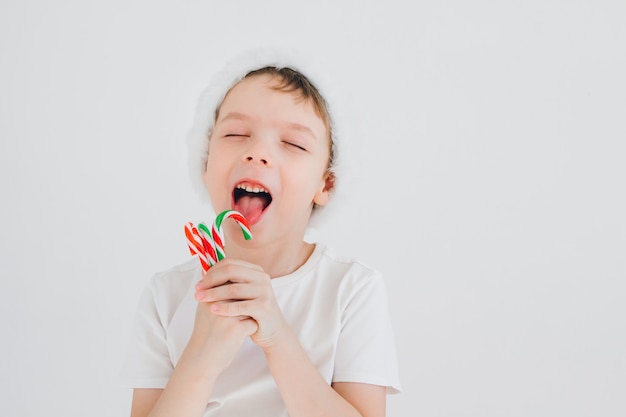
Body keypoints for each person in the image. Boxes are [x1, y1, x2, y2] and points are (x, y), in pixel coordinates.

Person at [120, 48, 401, 417]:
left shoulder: (351, 289)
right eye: (236, 133)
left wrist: (276, 337)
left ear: (326, 184)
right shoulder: (167, 296)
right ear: (205, 165)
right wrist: (202, 356)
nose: (257, 153)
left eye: (294, 143)